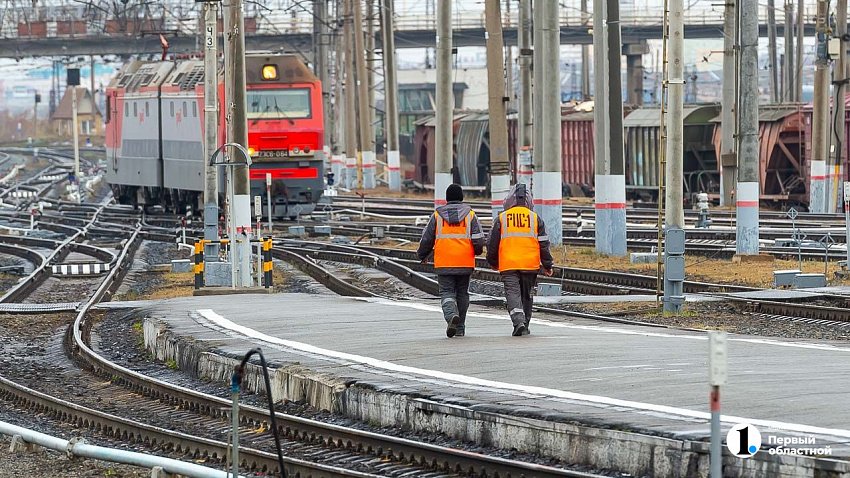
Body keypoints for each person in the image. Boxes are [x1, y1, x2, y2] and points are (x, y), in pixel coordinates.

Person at [417, 184, 485, 337]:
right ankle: (459, 328)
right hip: (465, 261)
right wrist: (477, 251)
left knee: (447, 292)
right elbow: (479, 239)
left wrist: (422, 255)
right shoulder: (470, 215)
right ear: (461, 197)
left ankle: (451, 316)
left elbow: (427, 239)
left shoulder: (437, 215)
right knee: (462, 293)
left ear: (447, 198)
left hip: (444, 262)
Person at [487, 183, 554, 336]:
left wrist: (493, 262)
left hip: (509, 264)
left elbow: (492, 243)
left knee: (513, 294)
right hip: (530, 265)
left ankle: (518, 322)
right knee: (527, 295)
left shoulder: (502, 218)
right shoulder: (535, 219)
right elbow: (544, 244)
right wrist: (547, 264)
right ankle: (525, 324)